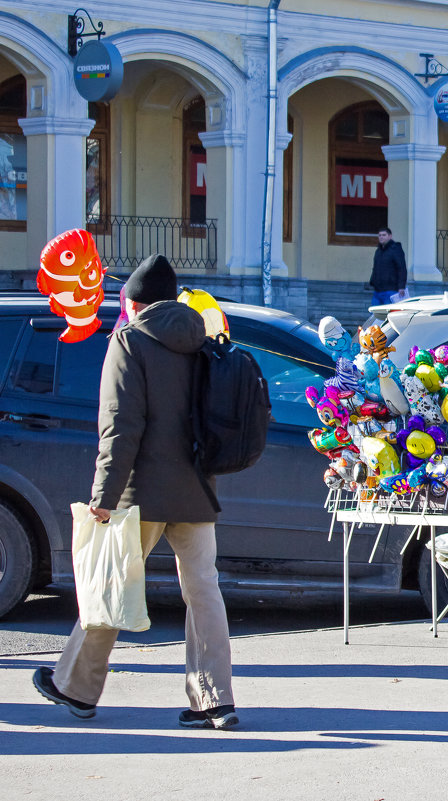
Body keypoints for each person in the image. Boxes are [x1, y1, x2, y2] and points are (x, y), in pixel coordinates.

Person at [32, 254, 238, 729]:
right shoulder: (203, 337)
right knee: (204, 591)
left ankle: (77, 689)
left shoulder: (130, 339)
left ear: (132, 301)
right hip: (196, 488)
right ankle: (215, 700)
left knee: (108, 584)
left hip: (138, 491)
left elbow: (120, 428)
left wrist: (103, 497)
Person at [369, 227, 407, 305]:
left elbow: (401, 268)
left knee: (388, 315)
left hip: (391, 290)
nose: (381, 237)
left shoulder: (396, 249)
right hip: (377, 291)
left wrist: (401, 287)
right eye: (379, 235)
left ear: (390, 236)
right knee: (375, 315)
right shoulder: (378, 251)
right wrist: (372, 282)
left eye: (384, 235)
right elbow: (375, 268)